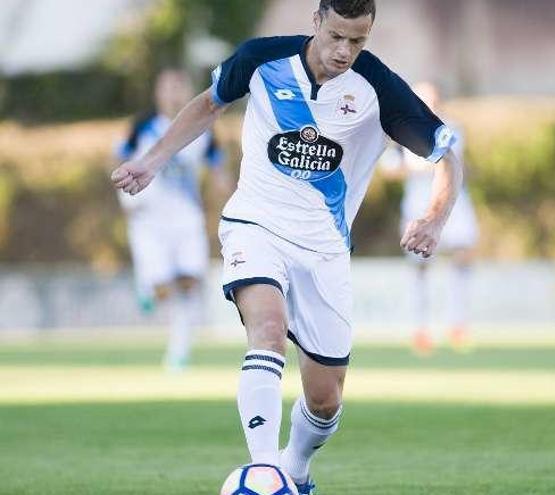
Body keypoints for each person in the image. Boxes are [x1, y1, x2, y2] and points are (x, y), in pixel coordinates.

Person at [111, 1, 463, 493]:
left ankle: (293, 469)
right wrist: (152, 161)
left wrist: (434, 216)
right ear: (317, 21)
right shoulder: (261, 59)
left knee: (325, 399)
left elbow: (448, 153)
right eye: (336, 36)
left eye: (357, 41)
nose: (344, 51)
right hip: (254, 224)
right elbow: (208, 103)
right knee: (268, 330)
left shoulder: (379, 86)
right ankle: (264, 470)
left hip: (324, 250)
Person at [114, 68, 231, 372]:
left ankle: (178, 351)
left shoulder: (203, 128)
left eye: (181, 87)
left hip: (186, 218)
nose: (174, 93)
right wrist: (123, 198)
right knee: (164, 287)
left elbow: (218, 169)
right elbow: (117, 159)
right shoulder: (142, 126)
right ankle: (147, 285)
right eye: (168, 87)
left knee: (189, 283)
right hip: (150, 220)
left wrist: (226, 193)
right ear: (157, 92)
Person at [382, 82, 479, 356]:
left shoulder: (452, 128)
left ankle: (458, 324)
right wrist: (412, 168)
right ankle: (421, 329)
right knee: (420, 265)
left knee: (462, 255)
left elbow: (455, 163)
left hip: (453, 202)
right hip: (417, 202)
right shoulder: (400, 130)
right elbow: (389, 169)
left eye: (433, 99)